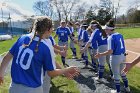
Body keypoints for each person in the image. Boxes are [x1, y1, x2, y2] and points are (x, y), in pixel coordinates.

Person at [0, 16, 79, 93]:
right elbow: (51, 73)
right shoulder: (45, 47)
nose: (53, 30)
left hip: (14, 87)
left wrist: (1, 74)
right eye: (52, 28)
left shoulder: (22, 38)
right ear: (47, 29)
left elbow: (7, 57)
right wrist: (67, 69)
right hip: (32, 89)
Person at [95, 19, 130, 93]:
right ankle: (127, 87)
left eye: (105, 29)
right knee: (122, 72)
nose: (105, 31)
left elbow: (110, 51)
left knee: (116, 75)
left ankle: (118, 91)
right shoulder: (120, 35)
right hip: (123, 56)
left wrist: (100, 54)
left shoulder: (110, 37)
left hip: (115, 58)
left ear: (109, 29)